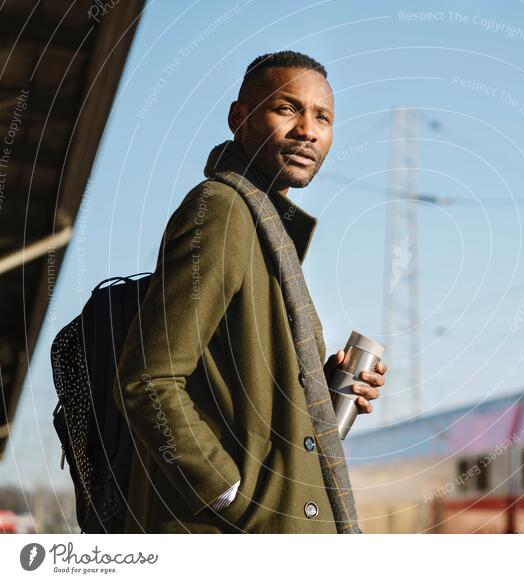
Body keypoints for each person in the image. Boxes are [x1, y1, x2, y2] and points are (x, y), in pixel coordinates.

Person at [113, 50, 386, 533]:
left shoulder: (266, 230)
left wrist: (315, 390)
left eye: (322, 117)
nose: (308, 130)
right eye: (287, 109)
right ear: (239, 118)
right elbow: (148, 378)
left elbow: (239, 390)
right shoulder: (220, 209)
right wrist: (225, 493)